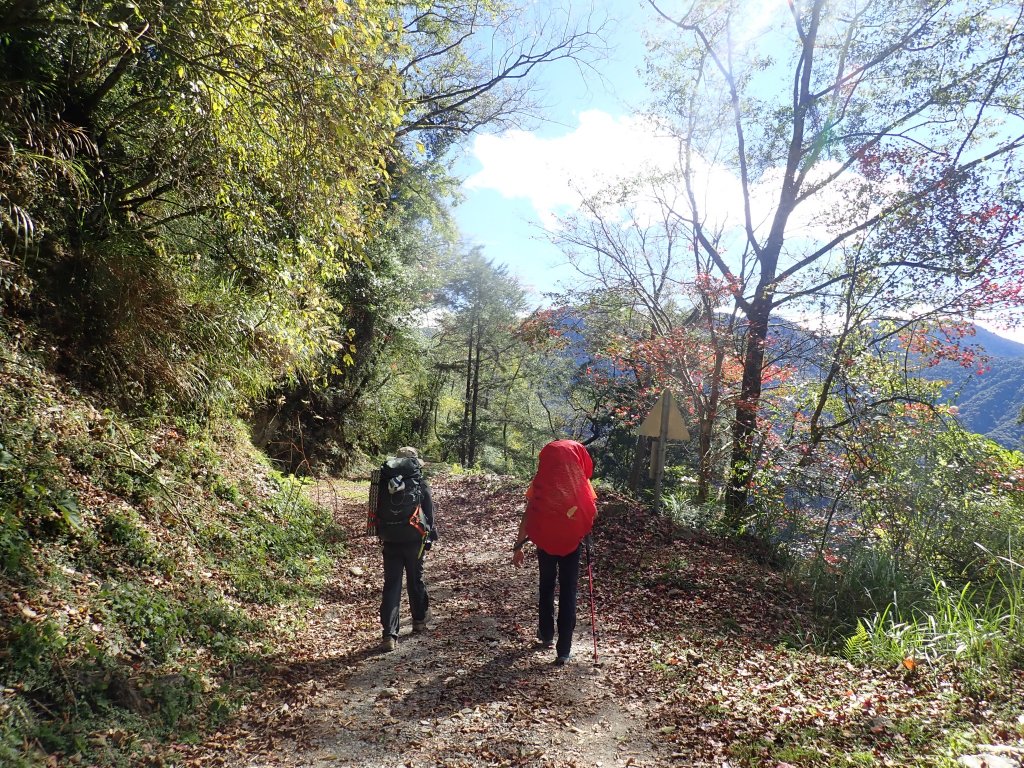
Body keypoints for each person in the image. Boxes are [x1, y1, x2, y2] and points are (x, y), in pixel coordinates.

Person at [511, 439, 597, 665]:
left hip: (545, 542)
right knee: (568, 592)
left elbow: (528, 512)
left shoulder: (541, 481)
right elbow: (592, 512)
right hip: (573, 542)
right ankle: (564, 650)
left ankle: (546, 634)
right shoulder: (582, 485)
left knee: (546, 586)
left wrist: (518, 546)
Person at [378, 446, 438, 652]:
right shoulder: (419, 481)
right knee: (415, 578)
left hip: (390, 539)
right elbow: (429, 512)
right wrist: (431, 535)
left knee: (392, 585)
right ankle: (419, 620)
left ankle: (389, 635)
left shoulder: (383, 482)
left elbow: (374, 509)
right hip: (414, 538)